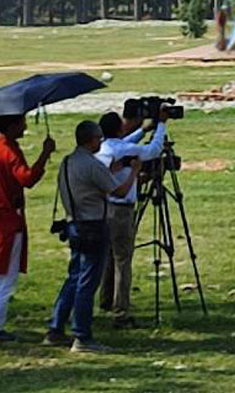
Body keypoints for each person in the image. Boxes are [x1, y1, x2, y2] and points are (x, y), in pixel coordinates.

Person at [45, 120, 134, 352]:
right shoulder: (91, 164)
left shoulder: (67, 162)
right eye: (98, 138)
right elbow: (120, 191)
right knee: (87, 281)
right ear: (91, 139)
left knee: (74, 276)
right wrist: (134, 171)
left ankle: (56, 328)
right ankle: (82, 335)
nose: (100, 142)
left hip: (73, 223)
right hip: (93, 225)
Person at [0, 113, 54, 342]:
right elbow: (26, 178)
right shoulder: (9, 151)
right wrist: (44, 154)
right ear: (11, 126)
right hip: (9, 220)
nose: (25, 126)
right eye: (21, 122)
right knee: (4, 276)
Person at [95, 105, 166, 326]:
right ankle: (121, 311)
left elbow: (126, 144)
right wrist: (162, 125)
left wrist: (144, 130)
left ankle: (106, 299)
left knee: (108, 256)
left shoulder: (103, 148)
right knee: (123, 260)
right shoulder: (123, 150)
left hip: (104, 208)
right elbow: (153, 151)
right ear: (119, 129)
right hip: (122, 210)